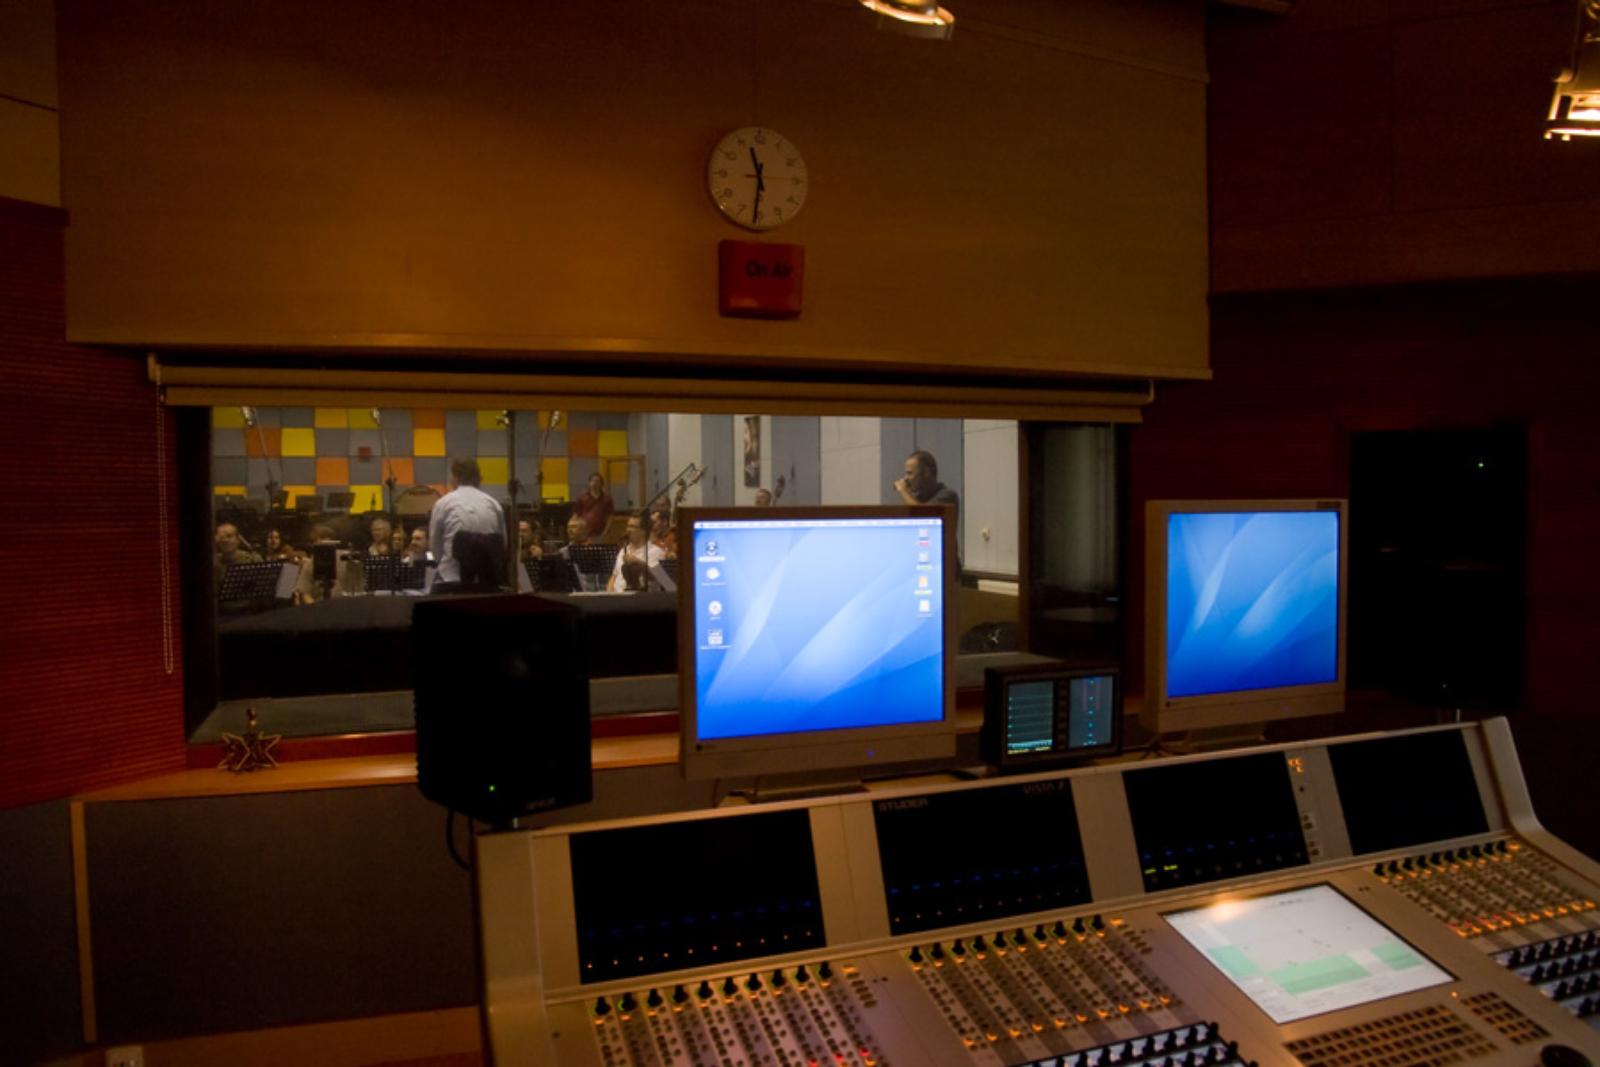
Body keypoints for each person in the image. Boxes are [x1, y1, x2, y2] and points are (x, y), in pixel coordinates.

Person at [427, 457, 508, 593]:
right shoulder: (494, 504)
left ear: (455, 477)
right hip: (486, 583)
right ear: (478, 478)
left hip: (451, 580)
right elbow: (502, 544)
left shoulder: (443, 503)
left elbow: (436, 547)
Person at [894, 449, 961, 563]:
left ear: (926, 473)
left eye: (910, 473)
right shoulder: (916, 498)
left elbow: (923, 515)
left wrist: (903, 491)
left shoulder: (947, 496)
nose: (906, 479)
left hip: (944, 564)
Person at [607, 512, 666, 592]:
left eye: (632, 526)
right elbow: (614, 576)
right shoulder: (623, 551)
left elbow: (660, 578)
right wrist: (609, 593)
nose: (628, 530)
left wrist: (637, 562)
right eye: (628, 526)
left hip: (640, 596)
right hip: (617, 596)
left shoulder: (656, 552)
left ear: (643, 530)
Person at [573, 472, 614, 539]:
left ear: (601, 484)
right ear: (589, 483)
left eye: (597, 481)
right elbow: (576, 514)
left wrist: (605, 532)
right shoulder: (582, 497)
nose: (594, 483)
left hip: (600, 533)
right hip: (584, 532)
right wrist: (576, 531)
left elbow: (610, 517)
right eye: (592, 481)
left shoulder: (607, 499)